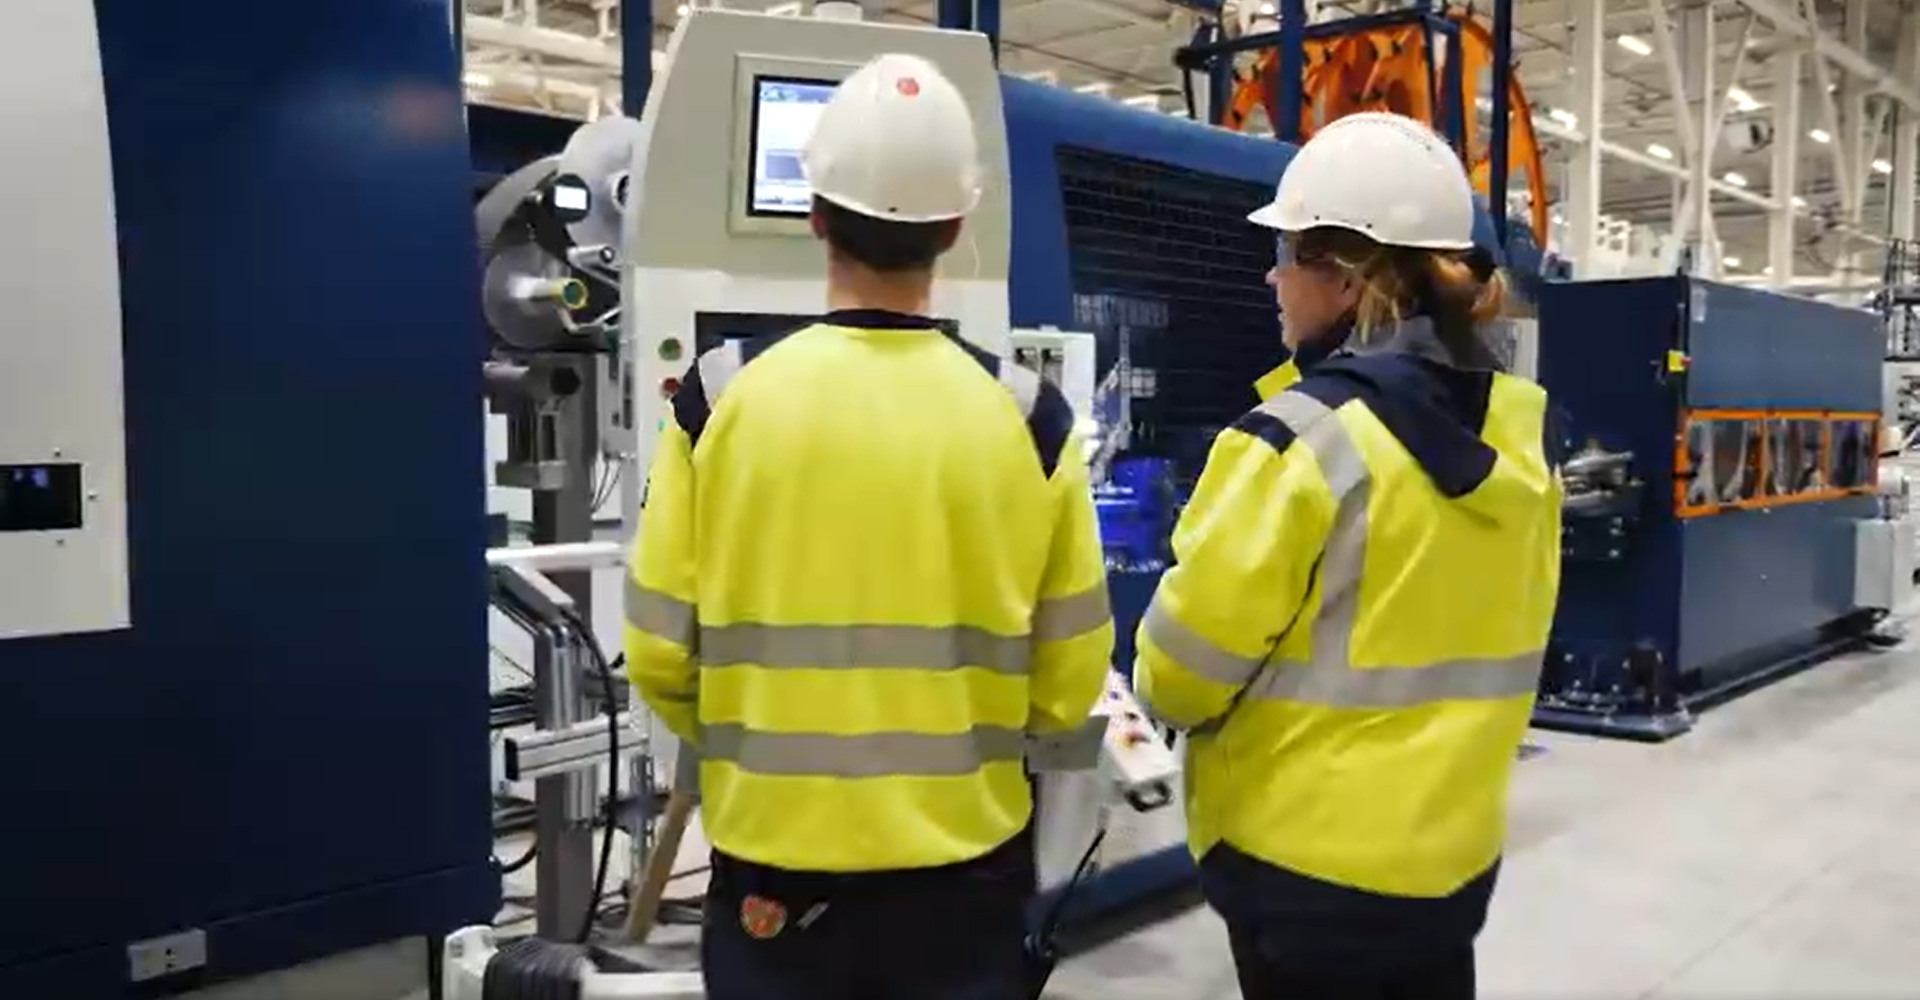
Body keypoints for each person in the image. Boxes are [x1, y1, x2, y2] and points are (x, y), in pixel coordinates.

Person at [622, 52, 1114, 1000]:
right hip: (962, 875)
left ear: (814, 217)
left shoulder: (720, 399)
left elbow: (656, 651)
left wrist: (751, 748)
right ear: (957, 228)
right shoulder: (1030, 418)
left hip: (775, 869)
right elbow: (1067, 681)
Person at [1131, 111, 1564, 1000]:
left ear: (1342, 275)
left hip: (1303, 874)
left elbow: (1177, 677)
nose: (1272, 276)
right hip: (1449, 865)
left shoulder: (1299, 444)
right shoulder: (1522, 439)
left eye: (1286, 253)